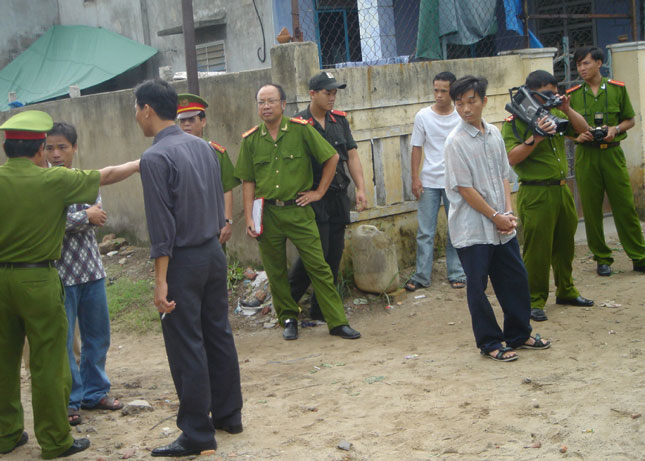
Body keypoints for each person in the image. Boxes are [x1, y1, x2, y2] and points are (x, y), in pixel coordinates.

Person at [0, 110, 139, 458]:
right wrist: (140, 162)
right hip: (40, 278)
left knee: (3, 362)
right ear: (38, 151)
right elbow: (106, 176)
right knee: (50, 362)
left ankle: (6, 434)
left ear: (6, 146)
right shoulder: (52, 181)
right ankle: (55, 440)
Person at [135, 79, 243, 458]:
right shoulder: (201, 147)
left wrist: (160, 280)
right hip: (213, 253)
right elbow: (216, 199)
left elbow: (161, 227)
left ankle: (197, 433)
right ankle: (229, 414)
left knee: (187, 345)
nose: (137, 118)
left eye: (137, 110)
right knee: (217, 333)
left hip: (182, 260)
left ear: (147, 109)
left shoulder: (154, 158)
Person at [234, 83, 361, 341]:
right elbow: (247, 180)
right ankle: (288, 318)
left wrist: (318, 192)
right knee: (276, 271)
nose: (266, 106)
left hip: (299, 212)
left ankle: (336, 321)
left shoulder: (301, 130)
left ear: (283, 104)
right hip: (268, 215)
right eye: (261, 102)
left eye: (271, 101)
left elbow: (332, 158)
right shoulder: (251, 140)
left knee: (320, 267)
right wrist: (249, 217)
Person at [443, 76, 551, 362]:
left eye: (471, 101)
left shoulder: (493, 134)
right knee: (477, 288)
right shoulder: (455, 142)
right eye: (459, 103)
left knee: (515, 280)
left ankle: (519, 333)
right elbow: (465, 189)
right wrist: (495, 216)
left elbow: (504, 175)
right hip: (473, 229)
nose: (465, 109)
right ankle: (490, 342)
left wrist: (508, 212)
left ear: (484, 101)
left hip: (502, 226)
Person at [44, 122, 123, 427]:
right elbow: (50, 223)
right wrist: (83, 217)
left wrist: (78, 218)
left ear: (74, 148)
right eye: (50, 147)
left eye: (62, 147)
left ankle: (95, 392)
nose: (56, 153)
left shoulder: (86, 181)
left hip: (91, 270)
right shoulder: (44, 183)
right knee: (63, 343)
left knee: (98, 337)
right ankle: (70, 400)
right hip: (59, 275)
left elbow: (98, 215)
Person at [501, 70, 594, 322]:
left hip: (562, 189)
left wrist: (567, 108)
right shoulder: (514, 122)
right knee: (538, 249)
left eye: (554, 92)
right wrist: (537, 137)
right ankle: (534, 300)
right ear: (532, 93)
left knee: (565, 245)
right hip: (536, 191)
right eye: (547, 94)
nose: (552, 98)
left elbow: (584, 130)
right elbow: (511, 158)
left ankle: (566, 290)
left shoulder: (555, 113)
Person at [288, 72, 368, 321]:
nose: (332, 97)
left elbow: (352, 156)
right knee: (315, 255)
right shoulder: (298, 124)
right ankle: (287, 303)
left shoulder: (339, 120)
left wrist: (361, 189)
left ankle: (321, 311)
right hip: (312, 199)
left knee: (333, 254)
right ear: (312, 94)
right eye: (327, 92)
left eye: (334, 93)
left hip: (337, 196)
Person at [568, 46, 645, 276]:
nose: (582, 68)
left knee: (625, 206)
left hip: (612, 153)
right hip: (586, 155)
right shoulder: (572, 95)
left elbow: (630, 120)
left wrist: (616, 128)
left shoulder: (616, 90)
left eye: (586, 63)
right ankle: (602, 258)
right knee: (591, 210)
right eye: (579, 64)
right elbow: (563, 128)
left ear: (599, 63)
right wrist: (576, 136)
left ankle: (639, 255)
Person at [405, 71, 467, 292]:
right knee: (425, 231)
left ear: (453, 92)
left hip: (455, 181)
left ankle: (456, 272)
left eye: (444, 90)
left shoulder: (460, 115)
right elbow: (417, 148)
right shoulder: (423, 116)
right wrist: (415, 178)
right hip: (429, 180)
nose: (439, 95)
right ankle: (422, 275)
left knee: (456, 228)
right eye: (436, 90)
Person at [176, 93, 240, 244]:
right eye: (182, 120)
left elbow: (227, 188)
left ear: (203, 121)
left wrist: (227, 221)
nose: (186, 124)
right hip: (183, 224)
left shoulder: (217, 153)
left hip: (212, 223)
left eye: (191, 119)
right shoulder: (172, 153)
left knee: (215, 264)